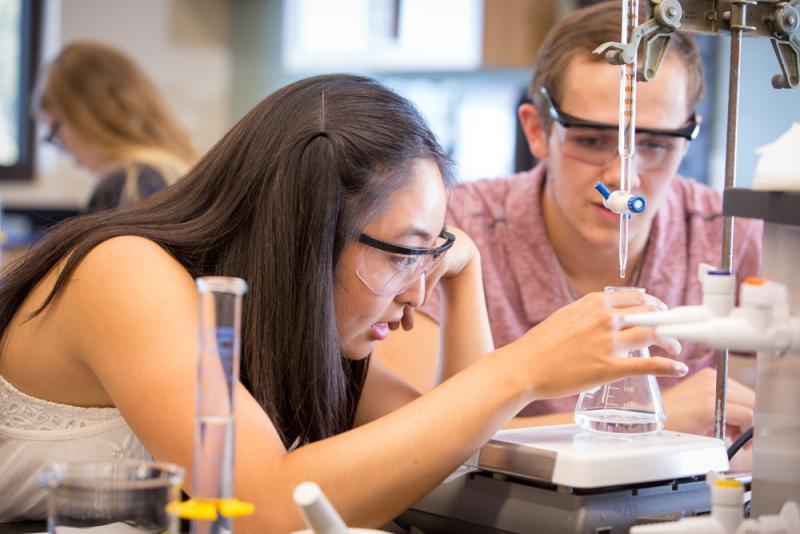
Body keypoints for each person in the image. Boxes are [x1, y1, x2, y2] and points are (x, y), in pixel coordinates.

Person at [0, 74, 688, 529]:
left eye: (433, 252)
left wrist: (464, 274)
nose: (418, 293)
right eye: (401, 252)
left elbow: (449, 446)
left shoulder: (300, 332)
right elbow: (262, 509)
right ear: (307, 231)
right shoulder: (125, 274)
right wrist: (524, 367)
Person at [375, 2, 761, 439]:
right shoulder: (453, 226)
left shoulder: (732, 235)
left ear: (690, 136)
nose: (623, 176)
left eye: (655, 144)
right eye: (593, 140)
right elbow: (404, 434)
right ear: (537, 130)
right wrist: (660, 417)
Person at [34, 41, 198, 213]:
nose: (65, 148)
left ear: (86, 117)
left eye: (55, 130)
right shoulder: (176, 169)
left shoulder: (129, 182)